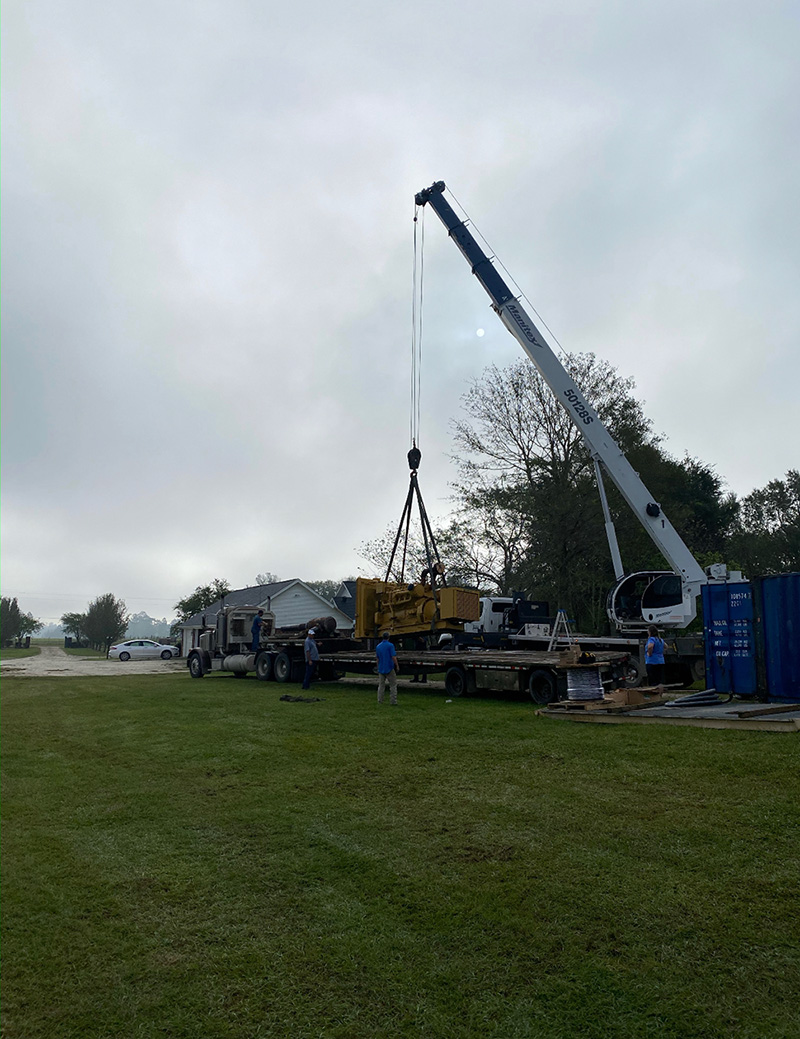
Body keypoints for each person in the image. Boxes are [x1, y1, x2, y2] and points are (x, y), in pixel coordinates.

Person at [376, 631, 399, 705]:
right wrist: (397, 665)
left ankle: (380, 700)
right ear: (389, 637)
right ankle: (393, 701)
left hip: (381, 668)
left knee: (381, 685)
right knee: (393, 685)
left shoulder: (378, 646)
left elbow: (377, 658)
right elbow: (393, 657)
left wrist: (378, 666)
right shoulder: (390, 645)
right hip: (389, 667)